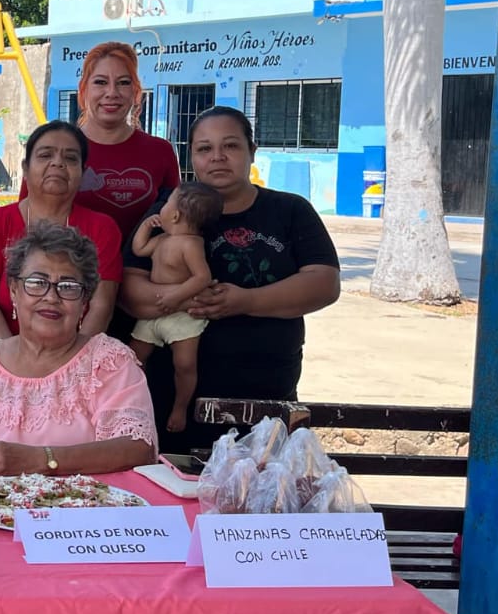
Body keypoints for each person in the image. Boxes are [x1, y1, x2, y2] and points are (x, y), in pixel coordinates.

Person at [122, 106, 341, 451]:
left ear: (252, 152)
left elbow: (324, 283)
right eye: (204, 148)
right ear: (191, 155)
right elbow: (129, 287)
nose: (218, 158)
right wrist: (180, 296)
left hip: (264, 407)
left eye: (231, 146)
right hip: (169, 409)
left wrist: (245, 301)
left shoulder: (289, 210)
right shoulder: (170, 210)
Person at [0, 224, 158, 475]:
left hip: (81, 511)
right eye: (37, 282)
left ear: (84, 302)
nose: (51, 296)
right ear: (14, 291)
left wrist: (41, 459)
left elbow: (138, 448)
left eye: (68, 286)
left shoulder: (108, 361)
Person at [0, 120, 122, 340]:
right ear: (25, 168)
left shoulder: (102, 228)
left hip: (76, 360)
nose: (58, 163)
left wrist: (71, 364)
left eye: (70, 158)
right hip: (0, 354)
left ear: (83, 171)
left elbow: (101, 307)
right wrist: (16, 360)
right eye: (45, 155)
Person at [128, 181, 225, 433]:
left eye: (167, 202)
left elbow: (202, 277)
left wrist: (176, 297)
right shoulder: (161, 240)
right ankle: (134, 401)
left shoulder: (191, 244)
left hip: (182, 314)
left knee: (184, 364)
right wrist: (145, 226)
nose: (161, 208)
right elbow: (139, 249)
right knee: (133, 357)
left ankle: (180, 407)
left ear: (175, 214)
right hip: (153, 313)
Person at [73, 42, 181, 245]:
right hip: (70, 273)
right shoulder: (56, 150)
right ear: (83, 90)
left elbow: (179, 222)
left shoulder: (160, 152)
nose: (112, 92)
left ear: (136, 91)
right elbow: (26, 219)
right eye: (100, 82)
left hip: (144, 273)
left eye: (123, 82)